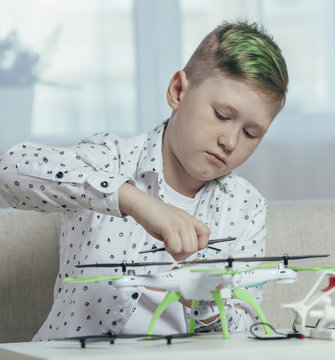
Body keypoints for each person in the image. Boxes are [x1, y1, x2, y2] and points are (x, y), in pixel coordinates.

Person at [0, 20, 288, 341]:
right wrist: (133, 200)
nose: (231, 142)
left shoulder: (245, 206)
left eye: (251, 133)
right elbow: (10, 171)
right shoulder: (111, 158)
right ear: (178, 91)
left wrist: (205, 300)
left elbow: (246, 331)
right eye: (221, 115)